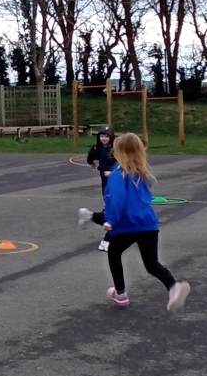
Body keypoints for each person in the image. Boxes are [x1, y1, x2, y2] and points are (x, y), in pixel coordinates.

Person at [78, 131, 190, 312]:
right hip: (148, 224)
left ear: (119, 152)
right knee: (152, 264)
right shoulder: (143, 173)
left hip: (127, 225)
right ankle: (173, 286)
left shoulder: (118, 174)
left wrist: (111, 221)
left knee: (114, 253)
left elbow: (117, 200)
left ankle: (120, 294)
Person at [85, 127, 118, 250]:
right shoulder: (97, 147)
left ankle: (93, 216)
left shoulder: (115, 148)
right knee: (109, 199)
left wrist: (113, 173)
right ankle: (97, 217)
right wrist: (91, 162)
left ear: (111, 137)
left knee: (114, 204)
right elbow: (91, 155)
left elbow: (121, 162)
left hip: (115, 177)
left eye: (106, 136)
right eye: (102, 136)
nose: (104, 138)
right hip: (105, 177)